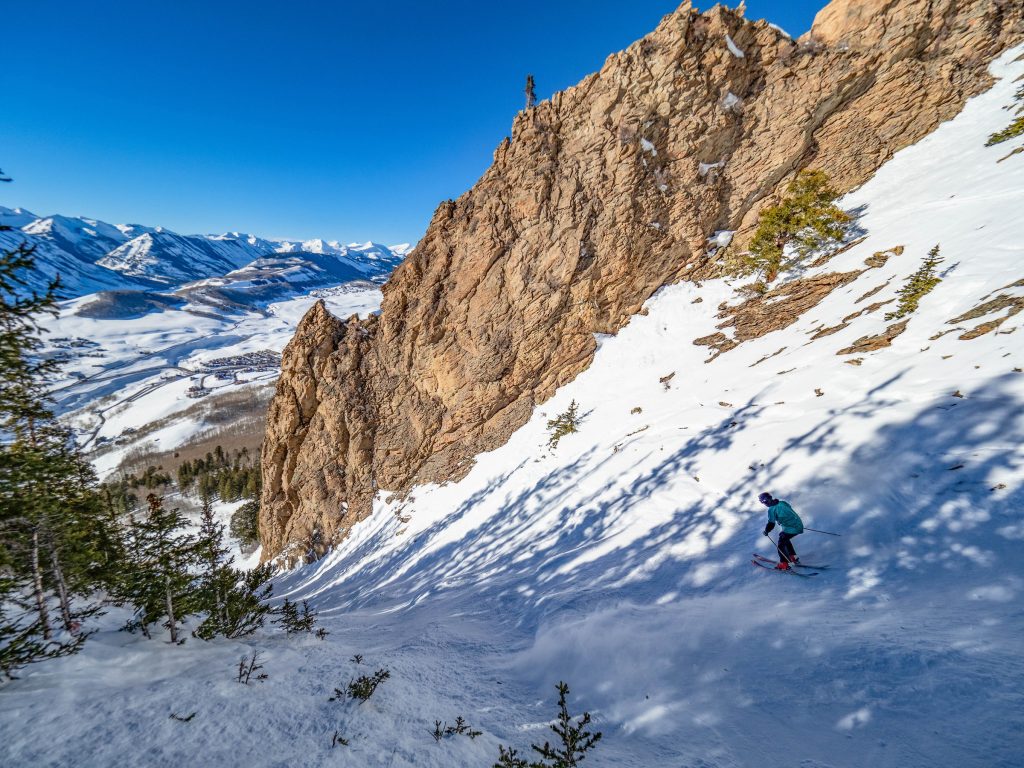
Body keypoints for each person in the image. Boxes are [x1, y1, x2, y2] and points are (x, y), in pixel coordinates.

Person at [759, 491, 803, 569]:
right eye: (762, 502)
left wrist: (766, 531)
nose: (764, 503)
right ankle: (793, 557)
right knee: (784, 538)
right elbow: (789, 511)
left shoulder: (771, 510)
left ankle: (784, 564)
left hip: (791, 527)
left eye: (764, 501)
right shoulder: (782, 503)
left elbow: (771, 523)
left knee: (781, 544)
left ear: (768, 499)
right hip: (797, 524)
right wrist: (784, 520)